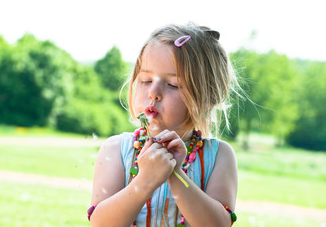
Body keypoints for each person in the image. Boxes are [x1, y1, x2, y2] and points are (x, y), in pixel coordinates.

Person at [88, 23, 239, 227]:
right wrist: (145, 181)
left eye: (173, 84)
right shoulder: (116, 149)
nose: (153, 92)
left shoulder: (219, 155)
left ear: (208, 97)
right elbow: (101, 224)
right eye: (145, 80)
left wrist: (175, 173)